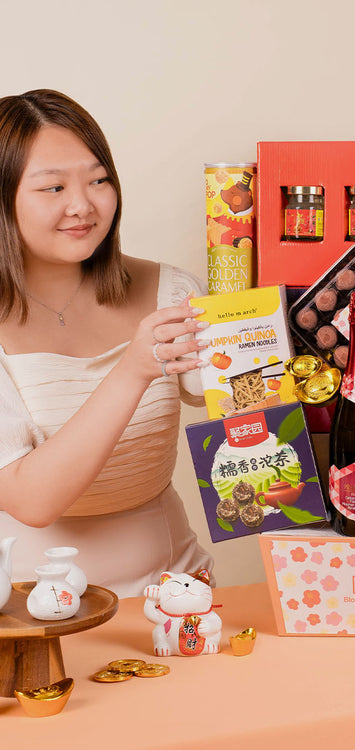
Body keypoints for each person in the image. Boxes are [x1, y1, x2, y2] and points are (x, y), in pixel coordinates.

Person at [0, 89, 214, 597]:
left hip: (175, 593)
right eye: (53, 187)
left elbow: (239, 400)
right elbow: (33, 501)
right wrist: (133, 369)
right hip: (30, 609)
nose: (83, 206)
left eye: (99, 180)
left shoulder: (171, 290)